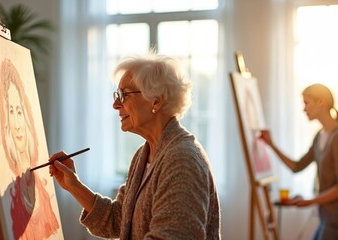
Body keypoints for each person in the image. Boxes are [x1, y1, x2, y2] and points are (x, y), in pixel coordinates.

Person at [48, 52, 221, 239]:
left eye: (124, 95)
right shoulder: (143, 154)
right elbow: (120, 220)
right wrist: (73, 185)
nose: (115, 104)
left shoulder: (182, 159)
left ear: (156, 100)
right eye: (117, 94)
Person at [259, 83, 338, 240]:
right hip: (328, 218)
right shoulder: (320, 135)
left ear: (321, 103)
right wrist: (271, 144)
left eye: (306, 103)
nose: (303, 109)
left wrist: (309, 201)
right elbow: (297, 166)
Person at [0, 59, 60, 239]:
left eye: (19, 111)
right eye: (10, 111)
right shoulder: (13, 192)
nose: (17, 124)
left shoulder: (40, 185)